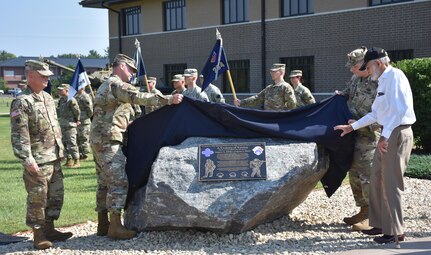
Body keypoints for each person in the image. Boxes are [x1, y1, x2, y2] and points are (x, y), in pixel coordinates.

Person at [90, 53, 183, 240]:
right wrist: (167, 100)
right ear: (122, 66)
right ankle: (115, 226)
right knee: (118, 181)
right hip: (109, 141)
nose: (133, 74)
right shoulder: (116, 84)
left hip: (101, 140)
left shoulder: (106, 85)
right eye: (131, 70)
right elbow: (137, 97)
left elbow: (115, 112)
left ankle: (103, 223)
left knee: (104, 182)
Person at [334, 47, 416, 244]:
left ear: (378, 63)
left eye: (368, 67)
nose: (367, 71)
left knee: (390, 184)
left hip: (396, 133)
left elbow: (398, 111)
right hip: (389, 132)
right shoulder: (381, 80)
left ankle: (395, 232)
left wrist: (384, 137)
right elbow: (376, 114)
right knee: (377, 180)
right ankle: (379, 224)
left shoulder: (395, 76)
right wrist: (351, 127)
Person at [10, 60, 72, 250]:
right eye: (42, 75)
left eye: (47, 75)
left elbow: (54, 127)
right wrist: (27, 159)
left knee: (55, 196)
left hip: (53, 156)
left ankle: (50, 228)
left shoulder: (47, 97)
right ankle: (38, 234)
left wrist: (62, 150)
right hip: (37, 159)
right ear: (30, 76)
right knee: (38, 197)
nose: (47, 78)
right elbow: (19, 135)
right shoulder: (22, 101)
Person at [338, 47, 380, 231]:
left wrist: (364, 125)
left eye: (354, 66)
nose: (351, 70)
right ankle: (363, 210)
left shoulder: (378, 82)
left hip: (371, 136)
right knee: (354, 174)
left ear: (364, 63)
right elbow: (347, 93)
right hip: (354, 134)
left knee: (368, 176)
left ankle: (374, 216)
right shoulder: (356, 79)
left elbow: (383, 114)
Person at [57, 84, 81, 168]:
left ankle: (76, 160)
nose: (59, 91)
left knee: (72, 143)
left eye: (61, 90)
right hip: (63, 124)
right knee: (64, 143)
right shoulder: (61, 100)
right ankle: (69, 160)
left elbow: (77, 111)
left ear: (67, 91)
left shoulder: (71, 100)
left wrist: (77, 120)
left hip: (70, 124)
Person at [75, 86, 93, 160]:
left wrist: (86, 117)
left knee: (84, 138)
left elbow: (90, 109)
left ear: (82, 88)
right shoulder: (76, 96)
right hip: (78, 121)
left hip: (84, 121)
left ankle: (85, 154)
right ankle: (81, 153)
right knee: (78, 138)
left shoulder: (85, 96)